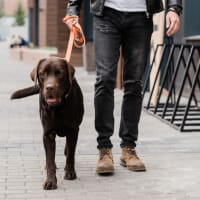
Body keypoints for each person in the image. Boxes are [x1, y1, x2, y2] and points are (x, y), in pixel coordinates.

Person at [64, 0, 182, 174]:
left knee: (134, 83)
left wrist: (174, 8)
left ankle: (128, 148)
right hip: (106, 14)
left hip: (141, 16)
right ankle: (104, 149)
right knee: (104, 79)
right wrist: (73, 9)